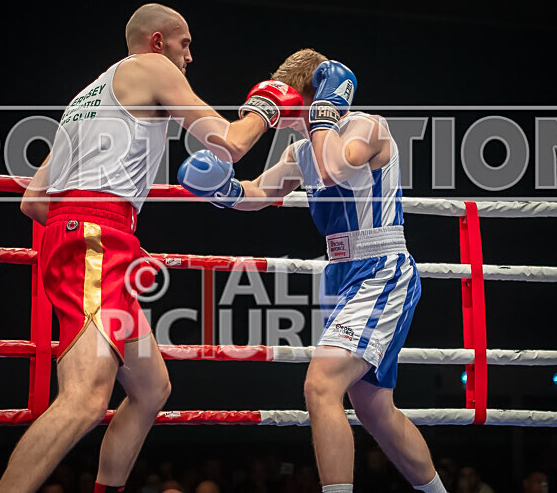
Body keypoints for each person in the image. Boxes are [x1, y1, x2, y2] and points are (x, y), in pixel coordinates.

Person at [0, 3, 303, 493]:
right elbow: (227, 143)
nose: (189, 59)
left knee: (151, 387)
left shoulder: (86, 96)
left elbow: (34, 202)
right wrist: (266, 106)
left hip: (85, 235)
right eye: (185, 45)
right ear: (159, 41)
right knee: (84, 398)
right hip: (96, 239)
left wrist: (85, 222)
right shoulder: (152, 67)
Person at [177, 49, 445, 492]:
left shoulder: (365, 126)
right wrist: (220, 190)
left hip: (380, 269)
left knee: (321, 386)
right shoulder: (302, 150)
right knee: (375, 408)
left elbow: (338, 168)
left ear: (310, 96)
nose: (276, 108)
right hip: (342, 276)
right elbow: (257, 192)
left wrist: (323, 114)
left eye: (285, 97)